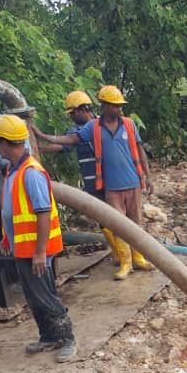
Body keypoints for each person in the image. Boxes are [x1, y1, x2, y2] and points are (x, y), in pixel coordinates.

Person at [31, 85, 154, 280]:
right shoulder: (89, 129)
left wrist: (147, 176)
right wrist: (41, 142)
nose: (118, 109)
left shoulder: (125, 125)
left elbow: (138, 151)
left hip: (124, 181)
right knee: (110, 223)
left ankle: (136, 257)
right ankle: (124, 260)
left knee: (133, 222)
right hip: (99, 183)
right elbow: (67, 141)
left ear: (82, 109)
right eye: (114, 105)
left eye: (73, 112)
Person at [0, 114, 77, 363]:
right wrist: (7, 238)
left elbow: (42, 213)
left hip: (36, 250)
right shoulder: (13, 170)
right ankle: (48, 336)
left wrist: (40, 252)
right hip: (22, 248)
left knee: (45, 294)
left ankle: (68, 338)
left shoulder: (31, 173)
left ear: (5, 143)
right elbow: (13, 210)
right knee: (33, 295)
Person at [31, 90, 120, 258]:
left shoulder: (101, 125)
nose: (71, 117)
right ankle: (118, 254)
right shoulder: (75, 130)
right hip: (92, 183)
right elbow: (64, 145)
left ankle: (127, 254)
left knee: (119, 216)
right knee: (103, 218)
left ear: (82, 109)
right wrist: (40, 148)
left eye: (72, 113)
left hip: (111, 180)